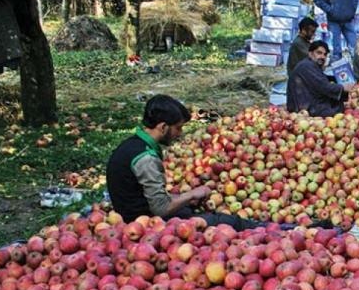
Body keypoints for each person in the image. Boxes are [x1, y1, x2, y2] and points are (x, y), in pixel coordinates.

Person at [106, 95, 265, 231]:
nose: (180, 134)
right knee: (224, 222)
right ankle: (266, 230)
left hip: (131, 213)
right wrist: (192, 194)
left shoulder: (132, 145)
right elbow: (161, 208)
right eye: (178, 128)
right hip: (145, 225)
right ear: (163, 127)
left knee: (189, 208)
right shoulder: (146, 158)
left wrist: (185, 199)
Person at [288, 40, 353, 117]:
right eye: (319, 53)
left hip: (305, 101)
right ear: (310, 54)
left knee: (338, 103)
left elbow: (320, 78)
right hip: (303, 107)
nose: (322, 57)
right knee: (338, 109)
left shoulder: (309, 64)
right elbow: (323, 86)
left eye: (325, 54)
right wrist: (343, 88)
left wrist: (336, 79)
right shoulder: (307, 66)